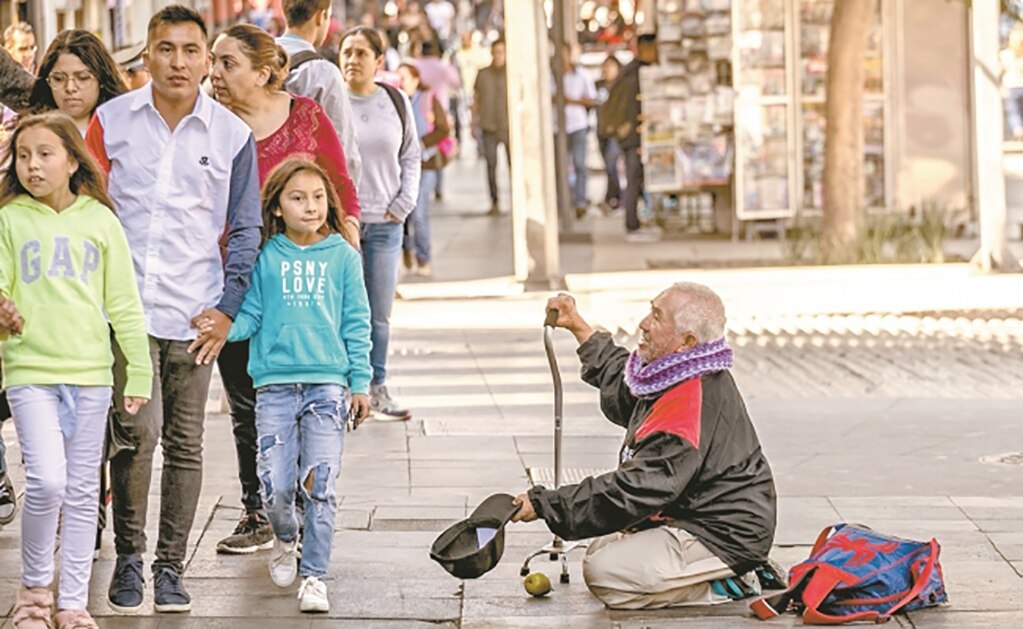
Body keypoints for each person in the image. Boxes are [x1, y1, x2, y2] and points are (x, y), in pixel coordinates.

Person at [84, 5, 262, 614]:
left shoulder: (232, 136)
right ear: (147, 55)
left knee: (185, 443)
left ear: (206, 59)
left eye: (191, 51)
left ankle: (168, 568)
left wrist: (229, 308)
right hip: (124, 312)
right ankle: (129, 559)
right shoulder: (111, 122)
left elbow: (244, 230)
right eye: (166, 49)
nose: (178, 62)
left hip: (196, 315)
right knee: (137, 433)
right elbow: (89, 213)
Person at [510, 283, 777, 610]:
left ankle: (733, 583)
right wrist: (579, 326)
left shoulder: (688, 400)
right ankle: (702, 571)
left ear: (687, 341)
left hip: (725, 532)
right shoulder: (674, 373)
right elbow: (624, 384)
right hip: (688, 511)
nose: (643, 324)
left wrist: (545, 503)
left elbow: (637, 488)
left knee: (605, 574)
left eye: (656, 317)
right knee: (600, 549)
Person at [208, 22, 360, 556]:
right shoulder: (210, 121)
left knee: (299, 392)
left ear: (265, 71)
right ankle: (260, 508)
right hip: (232, 278)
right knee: (245, 402)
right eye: (214, 62)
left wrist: (349, 247)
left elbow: (340, 186)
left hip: (300, 280)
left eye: (227, 63)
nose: (215, 74)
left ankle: (299, 498)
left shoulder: (306, 117)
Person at [193, 158, 371, 613]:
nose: (310, 207)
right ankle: (285, 535)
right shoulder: (268, 257)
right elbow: (251, 314)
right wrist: (221, 327)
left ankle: (314, 577)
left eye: (317, 197)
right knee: (273, 485)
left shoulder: (343, 257)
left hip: (327, 387)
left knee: (322, 484)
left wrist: (361, 383)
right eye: (297, 198)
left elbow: (356, 323)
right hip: (273, 387)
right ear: (275, 208)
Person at [0, 112, 152, 629]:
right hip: (30, 370)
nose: (32, 166)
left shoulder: (100, 220)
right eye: (22, 156)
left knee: (84, 490)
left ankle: (71, 602)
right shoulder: (9, 219)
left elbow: (125, 305)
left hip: (92, 373)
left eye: (44, 154)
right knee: (45, 481)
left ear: (71, 160)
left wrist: (139, 373)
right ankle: (34, 591)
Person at [340, 27, 420, 421]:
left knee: (379, 313)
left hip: (386, 224)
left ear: (378, 61)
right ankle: (344, 389)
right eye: (346, 52)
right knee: (344, 311)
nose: (352, 60)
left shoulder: (395, 100)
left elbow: (411, 155)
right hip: (343, 224)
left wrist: (404, 203)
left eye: (360, 53)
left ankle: (376, 386)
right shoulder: (330, 102)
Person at [278, 0, 362, 187]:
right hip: (306, 192)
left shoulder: (255, 60)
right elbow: (343, 147)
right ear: (320, 16)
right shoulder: (323, 73)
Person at [603, 33, 661, 242]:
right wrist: (632, 132)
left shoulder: (634, 71)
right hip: (632, 138)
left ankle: (636, 220)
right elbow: (627, 109)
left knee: (636, 179)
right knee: (633, 178)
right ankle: (632, 223)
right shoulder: (633, 74)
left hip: (632, 136)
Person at [398, 62, 450, 277]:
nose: (401, 83)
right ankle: (407, 249)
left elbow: (443, 129)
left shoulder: (428, 99)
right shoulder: (393, 99)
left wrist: (422, 143)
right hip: (400, 165)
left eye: (405, 79)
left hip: (425, 164)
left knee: (419, 213)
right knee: (404, 214)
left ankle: (423, 257)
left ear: (416, 80)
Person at [31, 30, 128, 136]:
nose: (70, 88)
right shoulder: (32, 133)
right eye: (58, 79)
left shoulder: (124, 129)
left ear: (101, 80)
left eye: (83, 78)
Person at [413, 39, 459, 202]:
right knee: (439, 146)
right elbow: (457, 82)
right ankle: (438, 185)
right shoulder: (442, 66)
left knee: (425, 148)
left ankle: (426, 184)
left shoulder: (415, 66)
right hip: (440, 108)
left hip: (420, 110)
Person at [555, 48, 597, 217]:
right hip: (557, 126)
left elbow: (592, 99)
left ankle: (580, 200)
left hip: (577, 125)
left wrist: (571, 100)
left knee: (579, 164)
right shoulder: (550, 76)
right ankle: (563, 201)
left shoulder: (582, 75)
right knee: (560, 166)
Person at [473, 37, 508, 216]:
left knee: (513, 165)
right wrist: (473, 123)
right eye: (496, 52)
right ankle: (494, 200)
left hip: (507, 126)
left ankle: (517, 198)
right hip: (488, 125)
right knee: (491, 165)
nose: (498, 56)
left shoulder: (511, 73)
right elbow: (476, 99)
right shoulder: (483, 74)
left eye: (501, 52)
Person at [596, 54, 623, 213]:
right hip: (601, 130)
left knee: (611, 164)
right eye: (605, 66)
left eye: (610, 66)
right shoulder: (598, 86)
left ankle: (612, 197)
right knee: (607, 165)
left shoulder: (620, 87)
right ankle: (613, 196)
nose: (607, 70)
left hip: (615, 132)